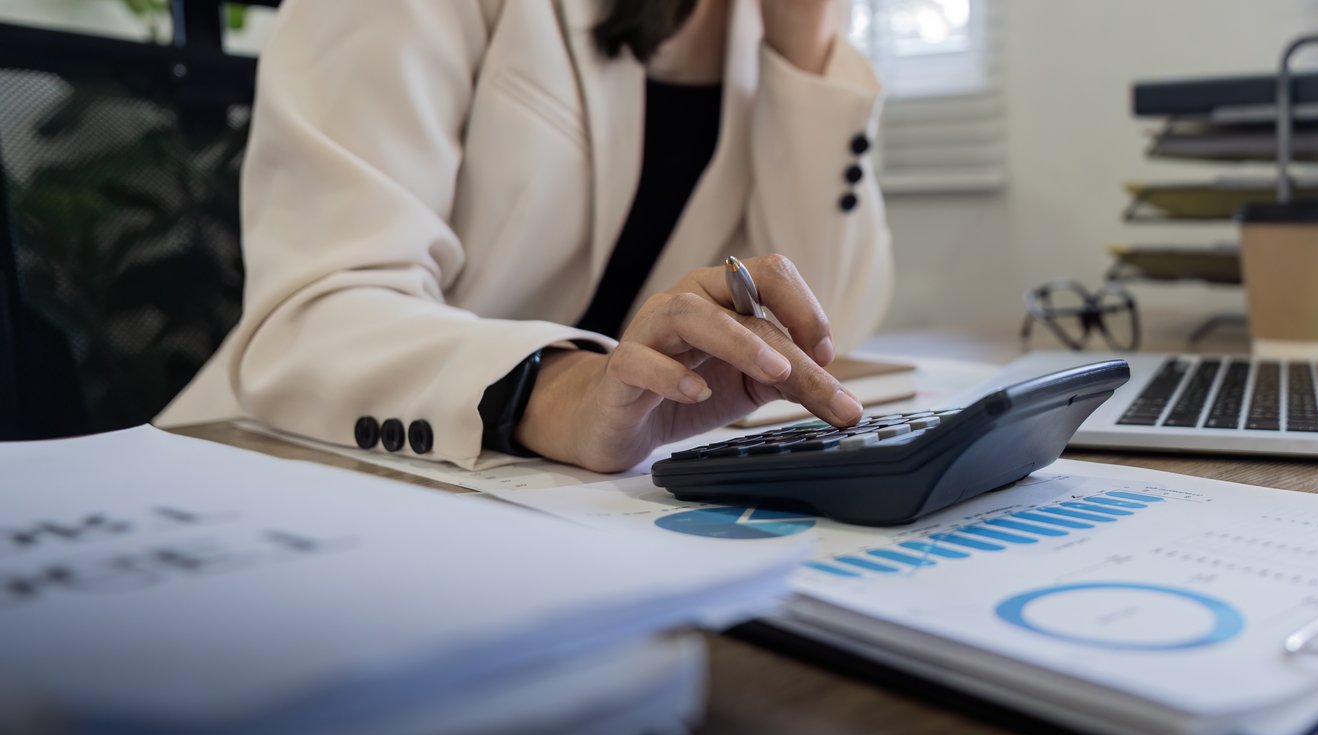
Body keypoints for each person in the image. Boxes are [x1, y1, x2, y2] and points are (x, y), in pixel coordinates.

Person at [157, 0, 893, 473]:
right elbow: (317, 313)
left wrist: (805, 44)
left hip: (542, 505)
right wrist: (563, 392)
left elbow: (818, 339)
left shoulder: (758, 27)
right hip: (283, 468)